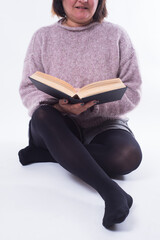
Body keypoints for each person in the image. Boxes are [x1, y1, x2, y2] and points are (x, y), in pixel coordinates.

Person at [18, 0, 142, 229]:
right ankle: (111, 191)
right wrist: (60, 108)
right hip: (55, 123)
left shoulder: (116, 35)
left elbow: (133, 90)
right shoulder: (42, 37)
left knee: (129, 156)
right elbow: (28, 88)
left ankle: (52, 154)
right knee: (43, 116)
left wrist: (94, 106)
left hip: (104, 123)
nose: (82, 0)